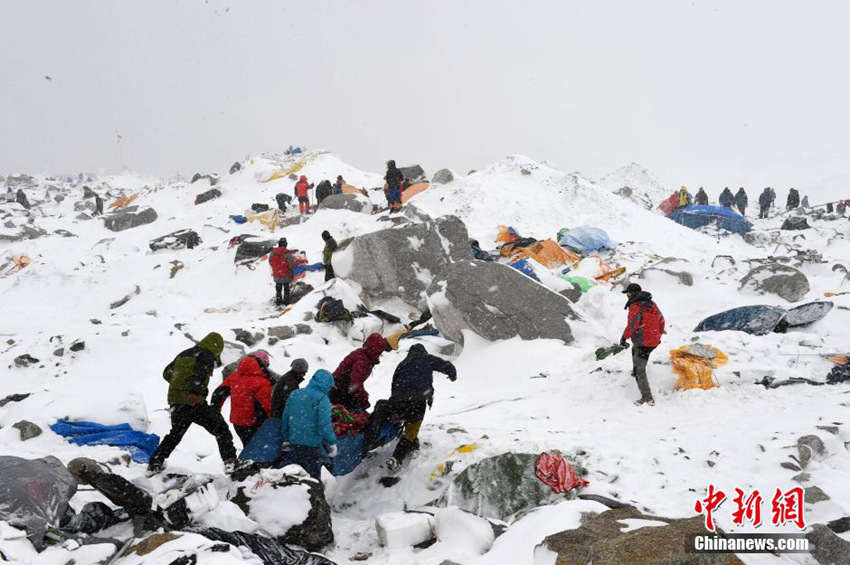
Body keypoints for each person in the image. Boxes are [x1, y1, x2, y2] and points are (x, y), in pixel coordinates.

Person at [147, 333, 237, 475]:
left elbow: (167, 373)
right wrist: (193, 392)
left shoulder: (184, 354)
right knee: (221, 429)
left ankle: (155, 463)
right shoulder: (205, 355)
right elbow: (199, 373)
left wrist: (180, 384)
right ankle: (230, 463)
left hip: (176, 401)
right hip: (193, 401)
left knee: (175, 433)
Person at [363, 344, 457, 470]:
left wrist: (395, 405)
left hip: (399, 400)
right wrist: (452, 374)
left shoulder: (402, 364)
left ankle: (372, 442)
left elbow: (394, 383)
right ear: (423, 351)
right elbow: (445, 365)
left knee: (402, 418)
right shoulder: (426, 358)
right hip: (418, 400)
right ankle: (396, 458)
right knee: (411, 430)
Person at [280, 369, 338, 480]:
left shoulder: (295, 394)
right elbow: (324, 424)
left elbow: (285, 418)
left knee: (292, 476)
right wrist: (332, 443)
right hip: (311, 445)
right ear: (327, 385)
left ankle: (291, 495)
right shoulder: (322, 398)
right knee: (312, 478)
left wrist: (286, 438)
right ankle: (312, 495)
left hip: (294, 442)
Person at [619, 283, 665, 407]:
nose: (627, 296)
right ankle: (635, 371)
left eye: (628, 293)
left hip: (644, 341)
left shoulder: (636, 306)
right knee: (637, 353)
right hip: (653, 340)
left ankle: (647, 397)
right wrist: (659, 333)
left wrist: (624, 338)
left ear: (633, 294)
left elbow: (632, 325)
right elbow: (661, 319)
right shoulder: (651, 303)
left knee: (640, 368)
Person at [211, 356, 272, 447]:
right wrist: (267, 422)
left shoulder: (233, 377)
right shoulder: (263, 382)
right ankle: (252, 460)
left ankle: (247, 459)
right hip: (253, 423)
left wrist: (215, 409)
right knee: (256, 447)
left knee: (247, 445)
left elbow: (218, 393)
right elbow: (264, 406)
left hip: (237, 422)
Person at [330, 333, 390, 411]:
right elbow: (355, 383)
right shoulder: (362, 360)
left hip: (335, 386)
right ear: (375, 351)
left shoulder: (361, 354)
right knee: (354, 412)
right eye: (379, 352)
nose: (379, 355)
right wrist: (364, 399)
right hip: (340, 390)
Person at [269, 238, 295, 307]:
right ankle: (286, 302)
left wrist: (276, 268)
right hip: (285, 274)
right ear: (286, 245)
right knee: (286, 288)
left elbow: (270, 262)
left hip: (277, 274)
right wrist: (287, 268)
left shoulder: (273, 252)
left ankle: (279, 301)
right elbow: (292, 264)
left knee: (278, 288)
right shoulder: (287, 253)